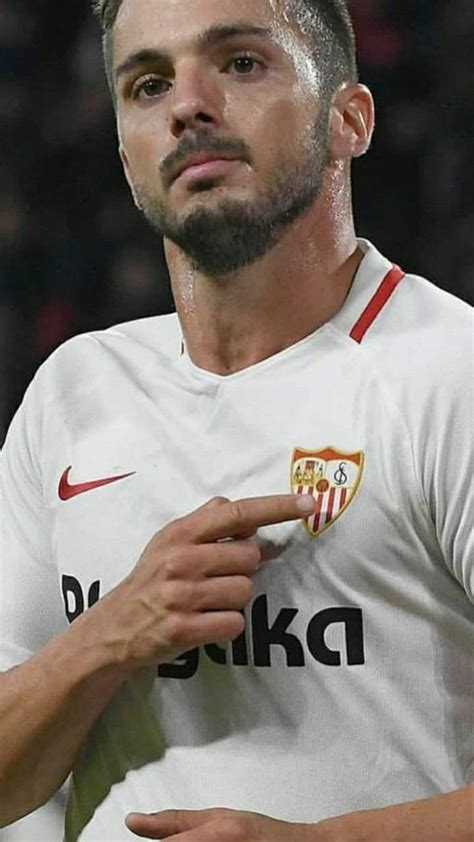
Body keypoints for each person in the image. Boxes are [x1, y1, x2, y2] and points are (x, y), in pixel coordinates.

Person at [0, 0, 472, 840]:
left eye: (241, 63)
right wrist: (110, 635)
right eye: (147, 84)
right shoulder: (74, 391)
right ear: (125, 156)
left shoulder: (449, 374)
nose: (186, 103)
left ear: (350, 120)